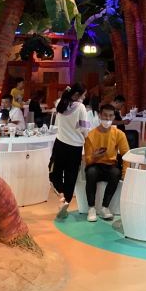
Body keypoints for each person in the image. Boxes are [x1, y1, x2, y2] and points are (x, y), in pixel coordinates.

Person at [48, 83, 89, 220]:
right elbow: (85, 129)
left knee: (54, 172)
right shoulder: (81, 108)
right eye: (83, 95)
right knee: (71, 176)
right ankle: (66, 201)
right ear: (77, 95)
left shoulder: (59, 103)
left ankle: (61, 197)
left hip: (60, 144)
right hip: (76, 147)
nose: (84, 98)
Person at [83, 103, 129, 222]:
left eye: (110, 116)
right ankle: (91, 208)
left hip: (111, 165)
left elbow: (126, 155)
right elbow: (87, 160)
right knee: (91, 172)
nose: (107, 118)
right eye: (105, 115)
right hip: (95, 165)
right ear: (99, 115)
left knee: (115, 173)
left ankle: (105, 207)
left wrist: (125, 174)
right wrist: (94, 157)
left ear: (114, 117)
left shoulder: (119, 134)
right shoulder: (90, 135)